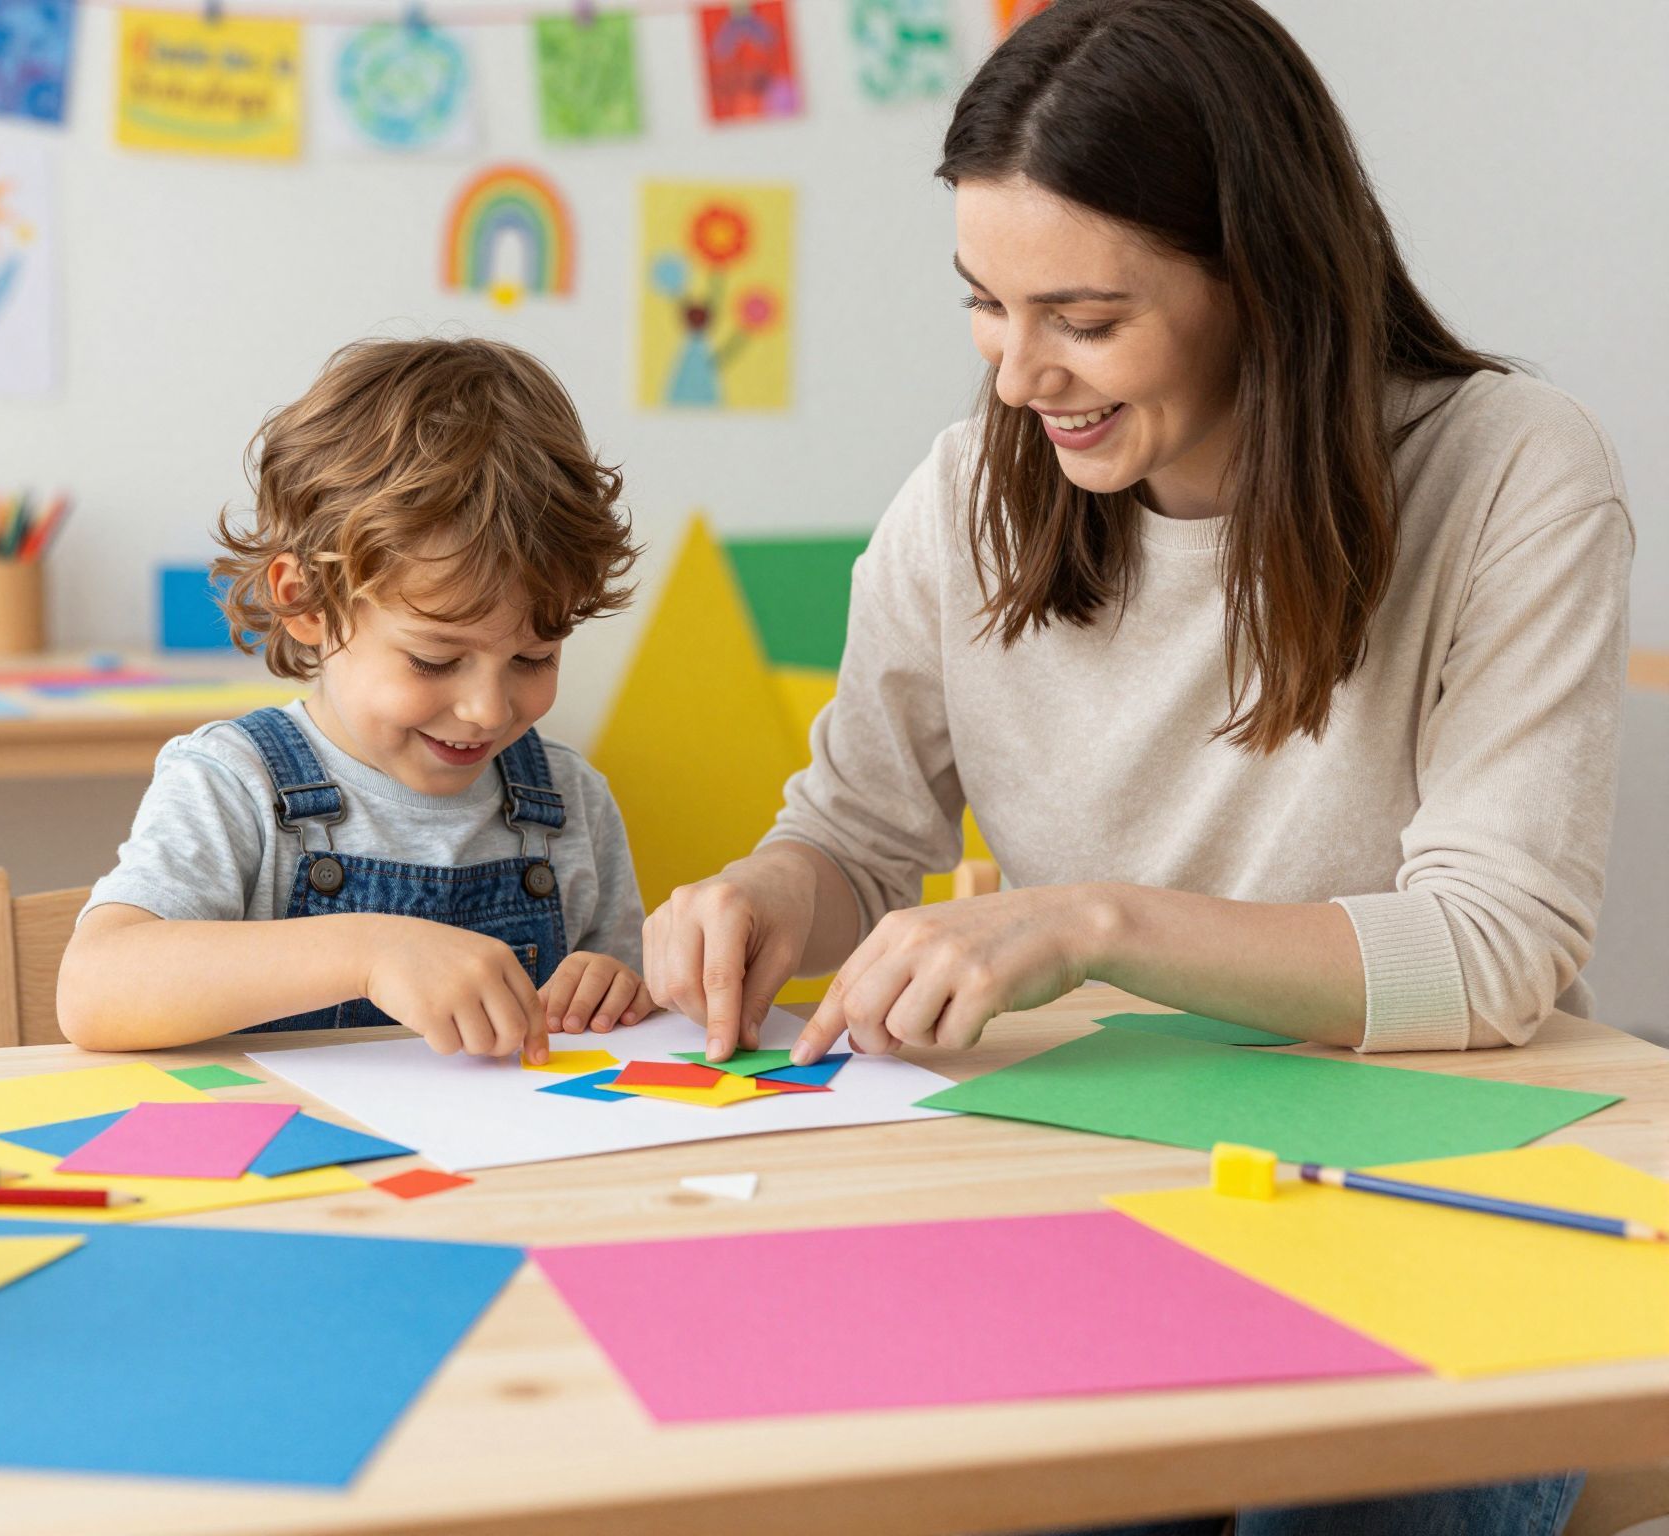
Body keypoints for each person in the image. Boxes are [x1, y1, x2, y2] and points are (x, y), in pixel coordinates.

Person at [644, 1, 1624, 1530]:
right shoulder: (973, 488)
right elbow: (854, 827)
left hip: (1429, 1200)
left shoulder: (1509, 470)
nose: (1023, 376)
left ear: (1262, 279)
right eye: (986, 304)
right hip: (1088, 1190)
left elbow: (1495, 953)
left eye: (1085, 320)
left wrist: (1095, 925)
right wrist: (773, 893)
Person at [60, 338, 649, 1063]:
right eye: (436, 659)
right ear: (306, 601)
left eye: (534, 658)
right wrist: (369, 950)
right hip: (294, 1168)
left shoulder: (570, 803)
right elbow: (94, 989)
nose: (488, 710)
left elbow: (637, 1023)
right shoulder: (233, 784)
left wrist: (616, 990)